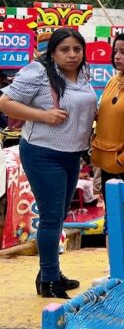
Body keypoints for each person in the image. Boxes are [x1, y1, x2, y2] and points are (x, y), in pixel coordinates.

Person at [0, 27, 97, 298]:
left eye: (77, 49)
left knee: (59, 215)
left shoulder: (83, 72)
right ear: (52, 52)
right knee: (52, 217)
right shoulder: (38, 72)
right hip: (43, 152)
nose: (72, 55)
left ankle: (49, 272)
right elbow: (5, 103)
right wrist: (42, 116)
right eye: (65, 49)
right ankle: (50, 281)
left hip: (72, 153)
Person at [92, 32, 124, 188]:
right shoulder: (113, 80)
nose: (117, 56)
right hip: (105, 163)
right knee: (111, 212)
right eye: (115, 52)